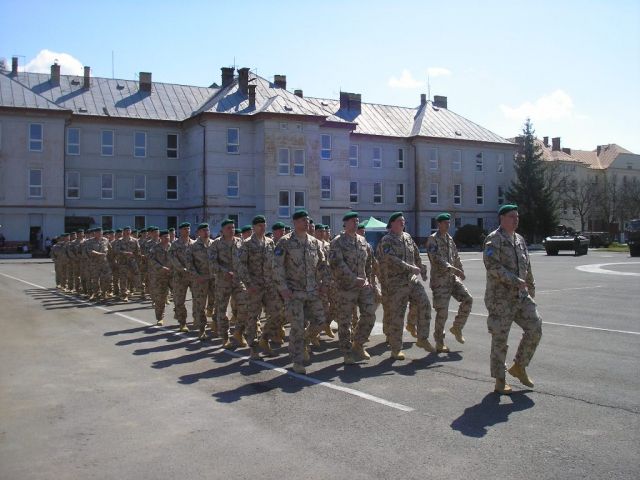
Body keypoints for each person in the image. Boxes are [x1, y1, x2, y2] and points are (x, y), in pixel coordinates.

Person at [483, 204, 542, 395]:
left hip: (521, 296)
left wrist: (530, 287)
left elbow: (527, 266)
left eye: (517, 216)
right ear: (502, 218)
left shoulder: (520, 240)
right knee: (500, 339)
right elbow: (492, 266)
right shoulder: (494, 239)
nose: (515, 220)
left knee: (535, 326)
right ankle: (500, 380)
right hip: (500, 299)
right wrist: (515, 280)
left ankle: (519, 366)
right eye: (511, 216)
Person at [273, 210, 328, 374]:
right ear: (295, 222)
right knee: (297, 326)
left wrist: (325, 283)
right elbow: (277, 266)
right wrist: (282, 288)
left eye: (308, 220)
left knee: (320, 321)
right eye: (303, 220)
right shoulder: (285, 242)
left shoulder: (314, 242)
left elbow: (323, 264)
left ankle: (303, 342)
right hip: (294, 292)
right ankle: (297, 361)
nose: (307, 223)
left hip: (312, 291)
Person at [378, 212, 434, 360]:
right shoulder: (387, 240)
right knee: (398, 316)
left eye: (403, 221)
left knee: (425, 304)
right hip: (396, 283)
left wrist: (422, 270)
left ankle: (422, 338)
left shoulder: (408, 237)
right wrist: (410, 267)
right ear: (392, 224)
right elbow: (390, 258)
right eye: (399, 221)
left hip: (411, 280)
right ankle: (396, 349)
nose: (403, 223)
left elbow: (416, 255)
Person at [329, 212, 378, 364]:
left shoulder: (362, 240)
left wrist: (369, 279)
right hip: (345, 286)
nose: (356, 223)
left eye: (357, 221)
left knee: (370, 314)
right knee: (345, 321)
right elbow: (337, 263)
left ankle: (358, 344)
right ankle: (346, 352)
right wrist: (353, 278)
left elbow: (368, 261)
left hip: (363, 286)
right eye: (353, 221)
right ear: (345, 223)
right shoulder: (338, 241)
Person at [236, 215, 283, 358]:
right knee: (252, 317)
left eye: (264, 225)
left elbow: (275, 263)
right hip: (254, 286)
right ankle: (254, 348)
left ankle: (265, 338)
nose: (262, 227)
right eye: (259, 225)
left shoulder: (270, 242)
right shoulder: (247, 244)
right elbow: (241, 266)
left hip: (269, 285)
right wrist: (248, 284)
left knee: (278, 312)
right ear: (254, 227)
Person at [426, 213, 473, 353]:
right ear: (439, 224)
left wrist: (460, 270)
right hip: (440, 281)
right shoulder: (432, 239)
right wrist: (452, 268)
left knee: (468, 299)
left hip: (452, 279)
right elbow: (435, 259)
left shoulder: (450, 239)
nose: (448, 225)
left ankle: (457, 327)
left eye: (449, 222)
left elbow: (456, 256)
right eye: (445, 223)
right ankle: (439, 342)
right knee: (442, 312)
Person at [210, 219, 248, 348]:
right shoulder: (216, 244)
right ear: (222, 230)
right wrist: (224, 271)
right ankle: (225, 337)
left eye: (233, 227)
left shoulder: (240, 242)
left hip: (238, 281)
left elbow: (245, 261)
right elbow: (212, 263)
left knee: (245, 306)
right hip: (223, 281)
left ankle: (238, 333)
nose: (232, 230)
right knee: (222, 310)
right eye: (228, 228)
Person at [186, 223, 216, 342]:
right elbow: (189, 263)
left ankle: (215, 322)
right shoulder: (193, 246)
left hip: (214, 278)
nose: (206, 232)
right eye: (203, 230)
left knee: (216, 302)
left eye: (207, 230)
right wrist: (197, 276)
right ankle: (202, 329)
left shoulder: (214, 244)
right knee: (200, 304)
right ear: (198, 232)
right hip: (200, 279)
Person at [169, 222, 195, 333]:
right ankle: (182, 322)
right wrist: (182, 268)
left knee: (198, 299)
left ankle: (197, 319)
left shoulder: (194, 244)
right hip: (180, 276)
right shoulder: (175, 245)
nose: (187, 230)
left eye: (188, 228)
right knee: (179, 300)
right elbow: (172, 259)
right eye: (185, 229)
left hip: (193, 276)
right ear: (180, 231)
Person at [148, 230, 173, 325]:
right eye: (165, 237)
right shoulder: (155, 248)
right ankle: (160, 318)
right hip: (160, 276)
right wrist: (161, 267)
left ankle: (180, 317)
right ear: (160, 238)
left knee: (178, 296)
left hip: (172, 275)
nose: (167, 238)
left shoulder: (173, 247)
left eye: (168, 236)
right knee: (160, 298)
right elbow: (151, 260)